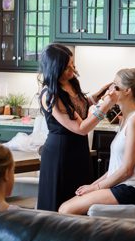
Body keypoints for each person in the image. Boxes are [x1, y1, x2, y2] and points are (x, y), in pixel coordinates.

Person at [59, 68, 135, 215]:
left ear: (127, 91)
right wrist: (92, 185)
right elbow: (115, 169)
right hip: (118, 184)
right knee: (64, 207)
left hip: (131, 188)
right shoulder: (124, 119)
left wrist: (95, 188)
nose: (110, 89)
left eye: (115, 86)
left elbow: (127, 170)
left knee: (67, 210)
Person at [36, 44, 116, 211]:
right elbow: (81, 128)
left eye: (72, 64)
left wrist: (99, 94)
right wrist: (105, 106)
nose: (72, 69)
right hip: (60, 153)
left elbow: (80, 105)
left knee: (80, 201)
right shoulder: (51, 94)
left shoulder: (71, 82)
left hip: (79, 150)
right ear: (55, 68)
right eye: (67, 67)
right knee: (59, 203)